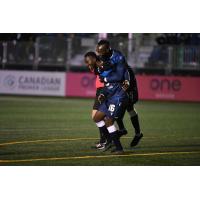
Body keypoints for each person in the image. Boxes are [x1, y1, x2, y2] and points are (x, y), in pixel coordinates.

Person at [96, 40, 143, 147]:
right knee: (116, 104)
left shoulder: (118, 56)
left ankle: (137, 133)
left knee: (129, 107)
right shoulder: (102, 56)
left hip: (126, 81)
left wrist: (126, 81)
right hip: (115, 82)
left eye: (101, 52)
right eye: (98, 52)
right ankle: (122, 129)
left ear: (107, 50)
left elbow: (124, 72)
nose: (100, 54)